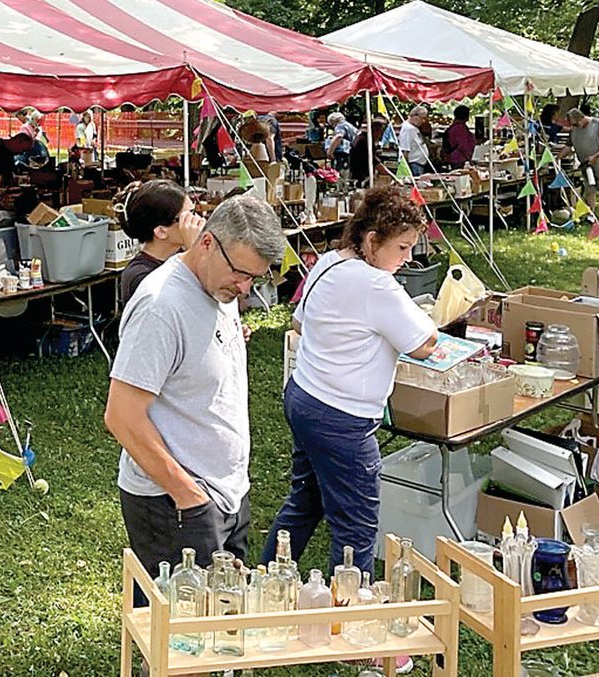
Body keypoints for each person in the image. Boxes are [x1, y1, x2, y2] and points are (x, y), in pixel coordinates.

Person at [104, 195, 286, 573]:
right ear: (206, 242)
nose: (245, 289)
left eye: (255, 277)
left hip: (227, 494)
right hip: (175, 503)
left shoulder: (221, 285)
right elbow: (121, 416)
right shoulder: (160, 307)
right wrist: (188, 495)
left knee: (224, 621)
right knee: (182, 628)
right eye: (240, 273)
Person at [264, 185, 439, 576]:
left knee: (305, 501)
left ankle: (264, 582)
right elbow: (425, 343)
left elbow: (299, 322)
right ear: (372, 240)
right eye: (402, 248)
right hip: (343, 416)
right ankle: (349, 615)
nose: (408, 259)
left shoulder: (328, 261)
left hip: (304, 394)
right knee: (356, 526)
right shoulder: (376, 285)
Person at [117, 181, 205, 307]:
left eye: (194, 212)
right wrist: (194, 250)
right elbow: (190, 305)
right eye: (188, 217)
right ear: (161, 231)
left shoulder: (179, 255)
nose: (197, 220)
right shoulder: (140, 275)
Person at [568, 107, 599, 226]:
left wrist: (595, 156)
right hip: (586, 165)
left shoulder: (598, 125)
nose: (576, 126)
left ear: (581, 117)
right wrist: (557, 158)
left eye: (577, 123)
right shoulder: (574, 129)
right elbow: (568, 145)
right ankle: (591, 215)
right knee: (590, 189)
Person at [348, 120, 387, 187]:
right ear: (376, 131)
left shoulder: (364, 138)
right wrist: (389, 174)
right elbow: (374, 161)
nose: (381, 136)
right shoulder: (364, 141)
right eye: (381, 133)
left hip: (360, 173)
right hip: (360, 176)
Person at [397, 104, 433, 174]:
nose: (423, 121)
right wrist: (406, 169)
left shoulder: (414, 127)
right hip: (413, 164)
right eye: (422, 118)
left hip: (418, 164)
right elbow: (405, 150)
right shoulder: (408, 129)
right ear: (415, 116)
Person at [441, 105, 477, 169]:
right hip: (458, 159)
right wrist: (469, 159)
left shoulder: (456, 127)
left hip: (456, 159)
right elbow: (463, 145)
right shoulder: (459, 128)